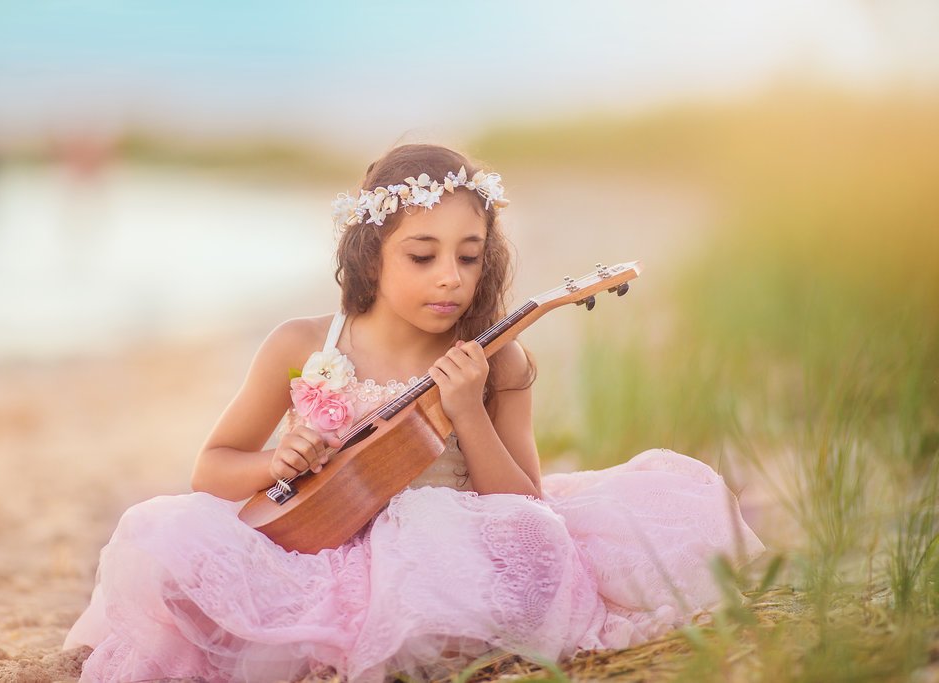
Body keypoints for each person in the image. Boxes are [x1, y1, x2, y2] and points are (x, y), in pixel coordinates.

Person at [64, 143, 765, 682]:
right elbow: (211, 468)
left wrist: (471, 410)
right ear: (371, 257)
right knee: (168, 546)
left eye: (469, 255)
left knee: (542, 553)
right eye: (422, 255)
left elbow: (526, 504)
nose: (450, 277)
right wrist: (276, 460)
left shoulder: (500, 360)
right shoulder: (303, 344)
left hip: (451, 547)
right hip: (321, 543)